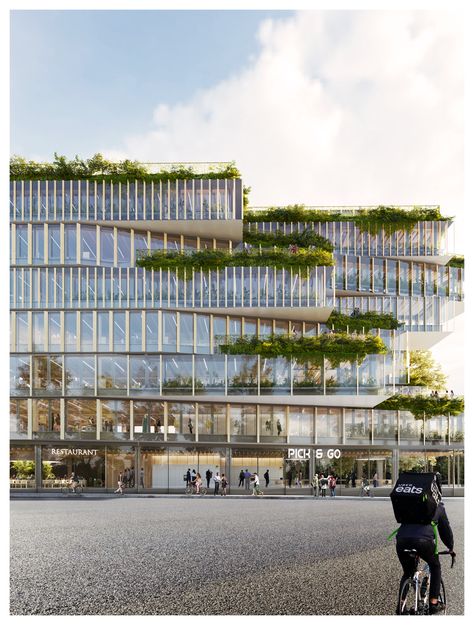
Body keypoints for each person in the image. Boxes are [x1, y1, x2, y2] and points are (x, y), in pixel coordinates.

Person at [395, 473, 455, 615]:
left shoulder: (410, 503)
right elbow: (445, 530)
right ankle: (433, 603)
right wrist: (450, 547)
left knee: (408, 572)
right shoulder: (438, 506)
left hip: (402, 540)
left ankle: (400, 606)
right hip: (424, 542)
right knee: (435, 566)